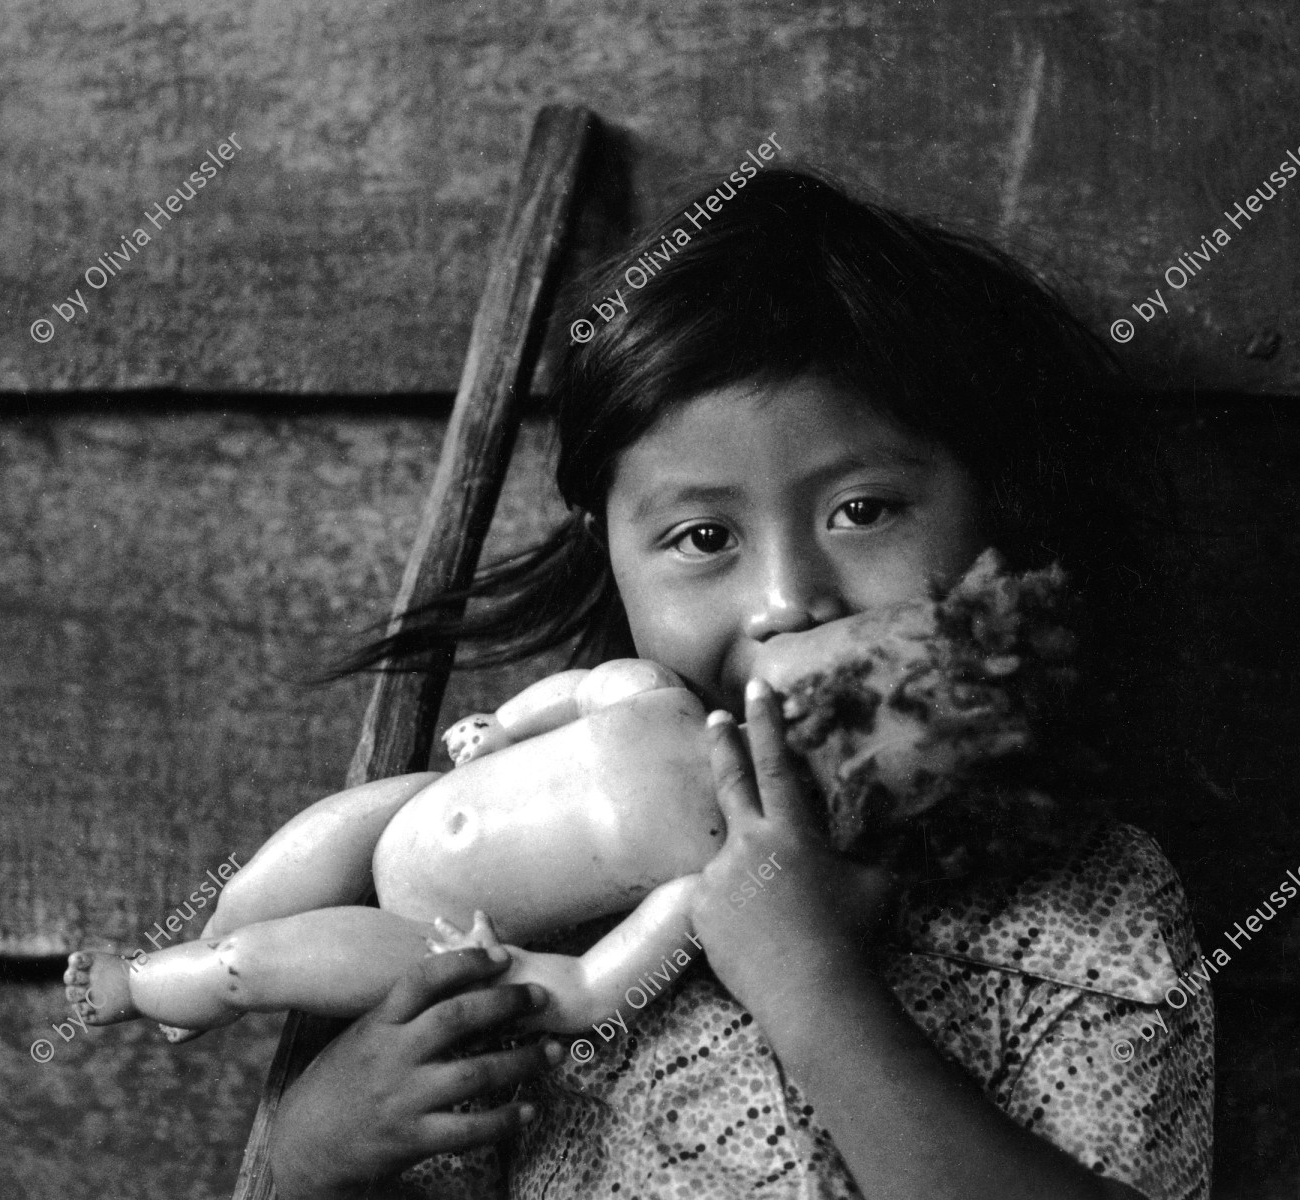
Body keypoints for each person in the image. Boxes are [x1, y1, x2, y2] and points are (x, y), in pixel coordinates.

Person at [268, 167, 1213, 1200]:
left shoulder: (1091, 910)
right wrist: (319, 1144)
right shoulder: (533, 891)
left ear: (993, 514)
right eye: (704, 537)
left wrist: (810, 985)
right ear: (611, 558)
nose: (787, 601)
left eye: (862, 511)